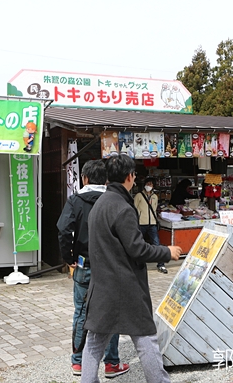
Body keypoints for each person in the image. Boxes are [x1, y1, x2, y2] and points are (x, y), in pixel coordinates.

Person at [82, 154, 182, 383]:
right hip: (126, 287)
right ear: (130, 176)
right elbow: (138, 249)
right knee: (145, 337)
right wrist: (166, 252)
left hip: (101, 286)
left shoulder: (99, 204)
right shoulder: (122, 208)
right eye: (135, 174)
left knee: (95, 342)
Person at [56, 160, 129, 378]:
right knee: (111, 313)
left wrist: (68, 257)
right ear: (105, 179)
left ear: (85, 178)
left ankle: (78, 362)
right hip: (110, 267)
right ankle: (111, 363)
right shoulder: (114, 200)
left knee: (81, 312)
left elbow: (63, 230)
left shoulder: (75, 200)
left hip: (83, 264)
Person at [134, 177, 167, 274]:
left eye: (151, 184)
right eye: (147, 184)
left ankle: (161, 264)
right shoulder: (139, 196)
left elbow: (155, 208)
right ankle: (136, 264)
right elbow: (134, 208)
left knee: (156, 243)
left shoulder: (155, 197)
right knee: (138, 243)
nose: (149, 186)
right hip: (141, 223)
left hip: (152, 223)